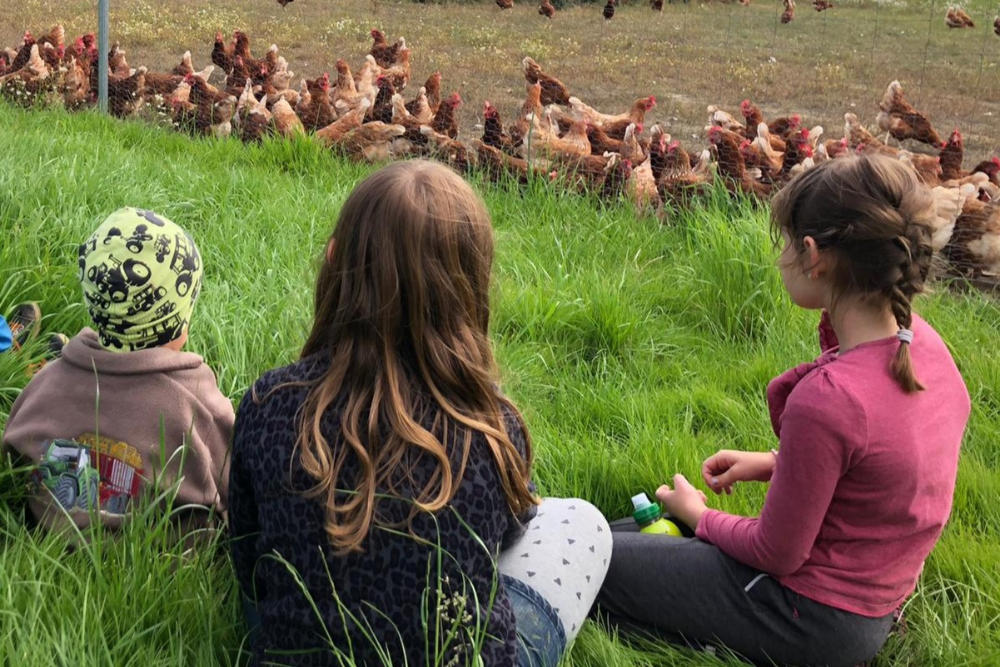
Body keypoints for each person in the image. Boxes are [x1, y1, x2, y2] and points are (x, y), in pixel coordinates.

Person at [228, 161, 612, 667]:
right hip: (456, 654)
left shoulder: (267, 402)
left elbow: (248, 561)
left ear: (333, 260)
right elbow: (507, 538)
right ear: (470, 286)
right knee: (578, 521)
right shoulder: (490, 424)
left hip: (298, 652)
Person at [596, 155, 971, 667]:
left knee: (586, 558)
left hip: (809, 620)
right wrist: (779, 462)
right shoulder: (924, 347)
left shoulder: (831, 398)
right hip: (872, 607)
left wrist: (700, 516)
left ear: (813, 254)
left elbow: (777, 553)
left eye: (787, 245)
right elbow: (888, 464)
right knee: (615, 533)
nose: (781, 260)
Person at [2, 208, 233, 535]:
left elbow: (11, 456)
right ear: (176, 320)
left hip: (48, 534)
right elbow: (235, 484)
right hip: (164, 564)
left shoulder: (44, 385)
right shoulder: (198, 404)